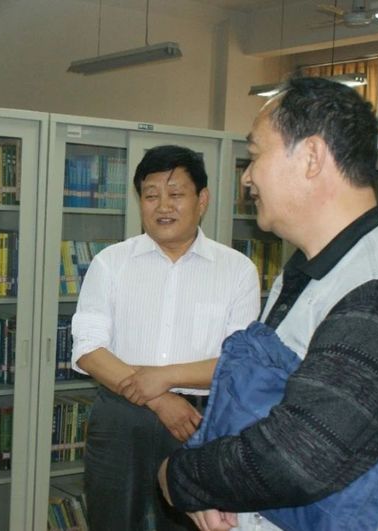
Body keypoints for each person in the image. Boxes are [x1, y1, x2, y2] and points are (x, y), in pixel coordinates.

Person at [158, 76, 378, 531]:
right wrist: (214, 485)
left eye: (256, 155)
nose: (247, 177)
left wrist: (178, 477)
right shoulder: (309, 268)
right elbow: (258, 400)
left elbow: (296, 459)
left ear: (311, 156)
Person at [71, 145, 261, 530]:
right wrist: (159, 398)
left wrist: (166, 377)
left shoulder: (237, 270)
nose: (163, 206)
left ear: (202, 200)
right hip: (120, 416)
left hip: (199, 420)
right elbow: (89, 349)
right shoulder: (111, 263)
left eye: (175, 194)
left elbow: (240, 363)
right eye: (151, 195)